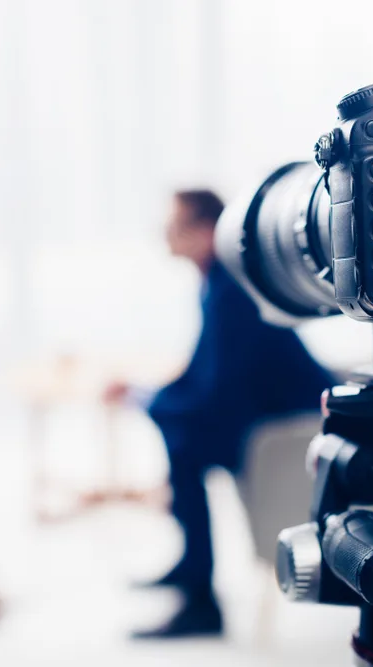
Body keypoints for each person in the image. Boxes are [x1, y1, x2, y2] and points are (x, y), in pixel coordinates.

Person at [103, 189, 335, 639]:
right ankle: (193, 570)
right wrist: (144, 394)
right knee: (179, 431)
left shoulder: (232, 290)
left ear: (208, 231)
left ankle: (200, 601)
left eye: (176, 226)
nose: (166, 235)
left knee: (184, 441)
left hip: (291, 432)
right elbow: (202, 372)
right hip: (269, 417)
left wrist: (147, 402)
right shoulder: (220, 282)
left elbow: (217, 390)